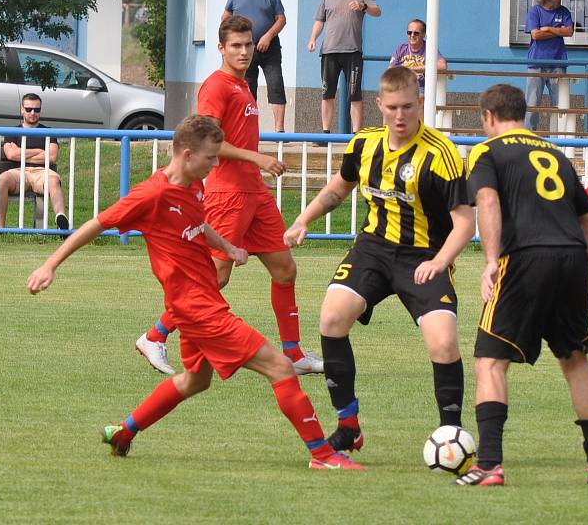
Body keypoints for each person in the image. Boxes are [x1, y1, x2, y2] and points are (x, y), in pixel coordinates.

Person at [26, 115, 363, 471]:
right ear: (187, 155)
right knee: (280, 367)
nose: (216, 165)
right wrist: (50, 265)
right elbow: (96, 224)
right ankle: (322, 455)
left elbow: (199, 224)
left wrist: (228, 248)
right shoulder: (151, 194)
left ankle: (124, 431)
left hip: (201, 304)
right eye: (210, 158)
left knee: (194, 380)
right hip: (197, 309)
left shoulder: (194, 186)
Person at [283, 67, 474, 453]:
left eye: (407, 106)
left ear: (420, 103)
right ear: (379, 105)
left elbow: (465, 224)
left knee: (443, 342)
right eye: (392, 108)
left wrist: (440, 262)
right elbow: (338, 189)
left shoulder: (443, 154)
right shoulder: (364, 144)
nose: (400, 116)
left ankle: (451, 435)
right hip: (373, 249)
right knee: (332, 318)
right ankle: (348, 426)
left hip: (423, 256)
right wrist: (303, 219)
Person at [135, 16, 322, 378]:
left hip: (254, 192)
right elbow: (207, 141)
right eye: (236, 45)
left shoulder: (242, 85)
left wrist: (256, 165)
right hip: (227, 194)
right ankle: (154, 336)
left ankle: (294, 353)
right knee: (213, 278)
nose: (244, 51)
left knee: (285, 270)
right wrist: (258, 157)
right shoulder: (216, 86)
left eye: (248, 44)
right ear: (220, 48)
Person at [454, 84, 588, 487]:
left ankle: (489, 464)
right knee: (575, 361)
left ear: (488, 116)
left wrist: (491, 261)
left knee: (490, 360)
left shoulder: (488, 152)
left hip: (523, 258)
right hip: (572, 257)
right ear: (522, 113)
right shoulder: (555, 155)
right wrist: (578, 260)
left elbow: (487, 202)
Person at [307, 0, 381, 134]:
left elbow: (377, 11)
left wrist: (363, 6)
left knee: (354, 94)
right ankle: (325, 132)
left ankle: (356, 133)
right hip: (329, 51)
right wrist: (312, 38)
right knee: (327, 94)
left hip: (353, 51)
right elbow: (319, 20)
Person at [222, 0, 287, 133]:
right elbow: (226, 17)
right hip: (245, 48)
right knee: (247, 89)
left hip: (269, 47)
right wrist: (227, 41)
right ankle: (246, 129)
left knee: (276, 85)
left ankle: (279, 130)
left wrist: (268, 36)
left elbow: (281, 19)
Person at [0, 93, 69, 230]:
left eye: (37, 109)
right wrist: (39, 152)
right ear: (22, 109)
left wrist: (20, 152)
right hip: (18, 172)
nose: (33, 113)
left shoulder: (48, 132)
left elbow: (52, 156)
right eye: (28, 109)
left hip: (42, 172)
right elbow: (11, 154)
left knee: (53, 180)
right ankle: (0, 229)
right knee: (2, 179)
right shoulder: (12, 132)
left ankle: (61, 218)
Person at [524, 0, 574, 130]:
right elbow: (536, 35)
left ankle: (560, 139)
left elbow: (570, 31)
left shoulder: (564, 11)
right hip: (536, 63)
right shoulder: (535, 11)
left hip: (558, 63)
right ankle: (528, 136)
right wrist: (558, 31)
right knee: (532, 104)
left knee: (560, 104)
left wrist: (548, 29)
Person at [388, 18, 447, 96]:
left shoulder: (429, 48)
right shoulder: (401, 48)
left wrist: (412, 68)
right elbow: (390, 70)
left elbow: (443, 66)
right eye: (409, 32)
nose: (412, 35)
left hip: (421, 89)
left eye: (416, 33)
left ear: (423, 35)